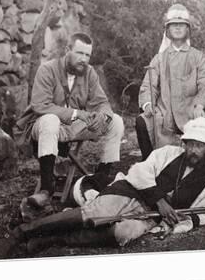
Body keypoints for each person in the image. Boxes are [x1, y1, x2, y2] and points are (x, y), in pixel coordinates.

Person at [0, 117, 205, 257]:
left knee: (123, 233)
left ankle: (51, 239)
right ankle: (20, 234)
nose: (192, 150)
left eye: (199, 146)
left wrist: (179, 221)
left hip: (151, 217)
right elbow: (139, 172)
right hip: (130, 192)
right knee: (96, 213)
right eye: (190, 143)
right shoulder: (168, 153)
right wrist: (160, 201)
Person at [14, 32, 124, 207]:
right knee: (50, 119)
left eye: (87, 55)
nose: (84, 59)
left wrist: (101, 116)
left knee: (116, 121)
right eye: (80, 53)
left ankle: (101, 180)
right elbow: (40, 105)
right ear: (67, 50)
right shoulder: (47, 69)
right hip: (44, 126)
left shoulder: (89, 73)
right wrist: (77, 113)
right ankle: (46, 190)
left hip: (72, 128)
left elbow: (102, 103)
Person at [136, 4, 205, 161]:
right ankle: (150, 164)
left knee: (202, 123)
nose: (178, 28)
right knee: (143, 121)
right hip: (165, 111)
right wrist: (147, 104)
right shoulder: (159, 58)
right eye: (174, 25)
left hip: (192, 109)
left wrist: (200, 104)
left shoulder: (198, 57)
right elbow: (148, 85)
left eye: (182, 25)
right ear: (167, 30)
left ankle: (198, 167)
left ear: (188, 30)